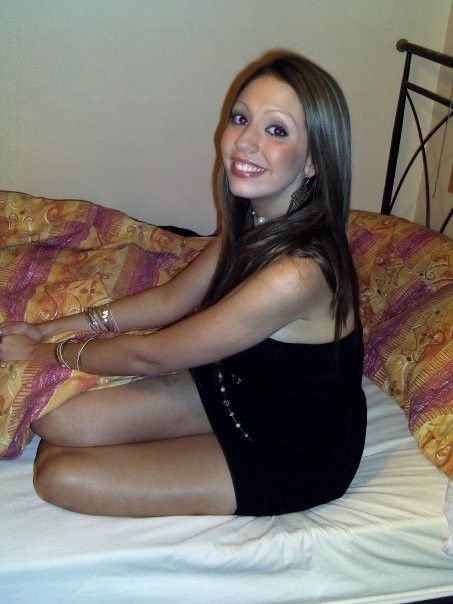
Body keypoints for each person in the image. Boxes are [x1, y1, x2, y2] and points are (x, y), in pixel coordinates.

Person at [0, 51, 366, 518]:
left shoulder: (297, 274)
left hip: (289, 449)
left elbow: (153, 355)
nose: (245, 142)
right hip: (238, 388)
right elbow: (170, 300)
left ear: (313, 161)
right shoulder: (256, 223)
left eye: (277, 130)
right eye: (241, 119)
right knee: (55, 422)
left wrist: (46, 353)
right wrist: (49, 328)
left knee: (58, 475)